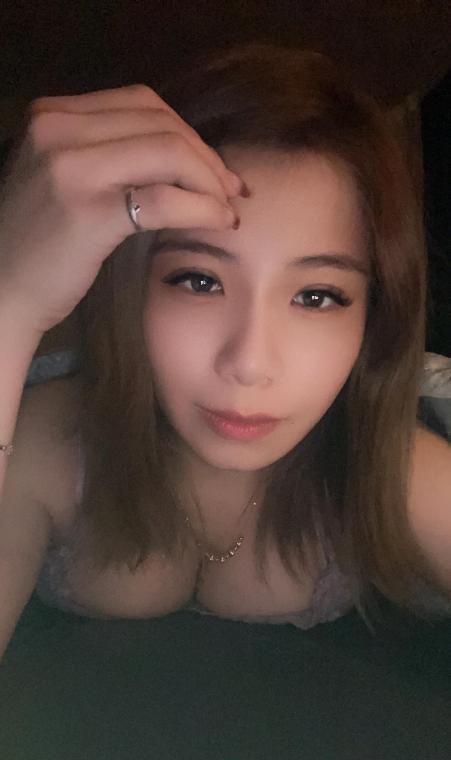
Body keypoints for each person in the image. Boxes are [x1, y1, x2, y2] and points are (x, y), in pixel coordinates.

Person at [0, 41, 450, 660]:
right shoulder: (50, 446)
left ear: (375, 317)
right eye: (199, 281)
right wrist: (11, 302)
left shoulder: (391, 472)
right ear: (129, 284)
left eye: (317, 296)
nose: (250, 362)